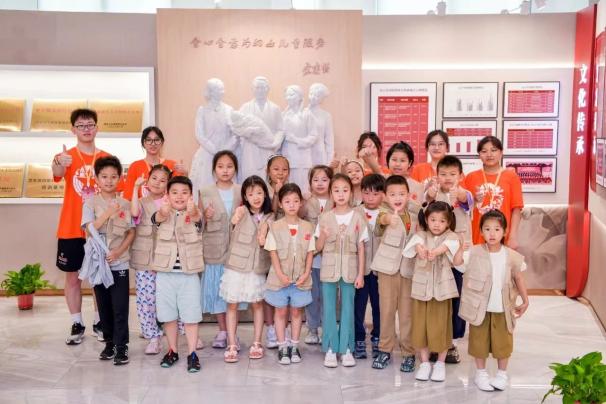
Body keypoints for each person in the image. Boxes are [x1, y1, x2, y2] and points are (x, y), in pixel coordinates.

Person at [52, 108, 112, 345]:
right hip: (71, 227)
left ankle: (99, 321)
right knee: (73, 278)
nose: (86, 129)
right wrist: (59, 162)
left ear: (97, 128)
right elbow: (57, 173)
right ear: (73, 130)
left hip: (100, 227)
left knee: (99, 277)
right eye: (81, 125)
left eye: (90, 125)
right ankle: (76, 322)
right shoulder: (65, 157)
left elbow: (115, 188)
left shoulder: (106, 157)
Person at [459, 209, 529, 392]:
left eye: (497, 229)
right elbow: (457, 264)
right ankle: (481, 374)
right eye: (487, 229)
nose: (492, 233)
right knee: (479, 342)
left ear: (505, 232)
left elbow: (518, 277)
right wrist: (460, 248)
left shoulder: (511, 255)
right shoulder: (474, 252)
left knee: (503, 344)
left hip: (503, 308)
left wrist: (525, 300)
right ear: (481, 231)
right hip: (479, 308)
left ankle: (501, 375)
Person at [79, 155, 134, 366]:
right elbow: (89, 229)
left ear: (120, 178)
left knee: (120, 306)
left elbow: (131, 232)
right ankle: (109, 343)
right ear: (97, 179)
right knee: (103, 306)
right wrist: (109, 212)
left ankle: (122, 346)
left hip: (119, 261)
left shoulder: (126, 204)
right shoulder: (90, 203)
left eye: (113, 176)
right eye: (104, 176)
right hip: (98, 263)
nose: (109, 180)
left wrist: (119, 252)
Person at [402, 201, 463, 382]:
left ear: (448, 223)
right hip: (421, 290)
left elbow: (448, 248)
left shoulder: (452, 236)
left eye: (442, 221)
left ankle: (440, 364)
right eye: (433, 220)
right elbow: (414, 246)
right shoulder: (420, 235)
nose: (437, 224)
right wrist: (420, 249)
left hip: (442, 291)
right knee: (420, 326)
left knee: (442, 326)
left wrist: (435, 251)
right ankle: (424, 362)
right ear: (427, 220)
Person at [151, 176, 204, 373]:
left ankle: (192, 353)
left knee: (191, 315)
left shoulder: (195, 214)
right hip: (165, 275)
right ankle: (172, 350)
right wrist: (163, 211)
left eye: (184, 192)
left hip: (189, 275)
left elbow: (198, 220)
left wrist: (194, 211)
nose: (179, 196)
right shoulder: (162, 213)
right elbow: (156, 219)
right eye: (174, 192)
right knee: (168, 315)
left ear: (190, 195)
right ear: (167, 195)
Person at [315, 174, 367, 368]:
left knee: (348, 309)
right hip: (328, 270)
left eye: (345, 190)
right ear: (331, 194)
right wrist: (323, 236)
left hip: (350, 270)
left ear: (351, 193)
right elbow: (317, 247)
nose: (341, 194)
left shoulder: (358, 217)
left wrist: (360, 274)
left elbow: (361, 248)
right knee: (328, 309)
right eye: (336, 190)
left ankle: (346, 349)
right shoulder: (324, 217)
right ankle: (330, 347)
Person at [425, 155, 473, 363]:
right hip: (435, 255)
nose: (448, 178)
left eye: (453, 174)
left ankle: (451, 343)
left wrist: (458, 192)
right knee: (436, 300)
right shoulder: (432, 193)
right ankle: (435, 342)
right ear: (436, 175)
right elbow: (426, 204)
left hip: (457, 258)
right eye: (443, 174)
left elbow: (465, 199)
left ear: (461, 176)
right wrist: (430, 194)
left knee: (455, 299)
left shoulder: (465, 194)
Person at [220, 175, 273, 363]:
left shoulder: (271, 216)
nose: (256, 197)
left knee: (257, 304)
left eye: (259, 192)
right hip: (236, 266)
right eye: (251, 194)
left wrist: (265, 237)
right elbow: (232, 227)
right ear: (245, 196)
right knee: (232, 304)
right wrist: (235, 218)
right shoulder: (241, 211)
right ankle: (231, 343)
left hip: (257, 267)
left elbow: (272, 243)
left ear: (265, 194)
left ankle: (257, 343)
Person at [263, 183, 315, 365]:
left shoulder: (308, 227)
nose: (292, 205)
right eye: (287, 201)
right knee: (280, 311)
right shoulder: (275, 227)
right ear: (281, 204)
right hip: (280, 279)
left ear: (301, 203)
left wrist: (306, 273)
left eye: (295, 201)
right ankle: (282, 346)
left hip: (301, 278)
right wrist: (280, 274)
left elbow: (310, 252)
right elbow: (273, 252)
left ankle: (294, 345)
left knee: (296, 311)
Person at [369, 175, 417, 373]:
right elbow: (379, 225)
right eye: (393, 194)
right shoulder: (383, 213)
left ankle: (409, 352)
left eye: (402, 194)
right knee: (386, 312)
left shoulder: (415, 215)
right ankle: (384, 349)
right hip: (387, 271)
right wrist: (389, 219)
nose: (397, 198)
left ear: (408, 195)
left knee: (407, 314)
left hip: (408, 271)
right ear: (385, 197)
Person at [198, 150, 245, 349]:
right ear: (214, 170)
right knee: (217, 292)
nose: (225, 170)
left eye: (229, 166)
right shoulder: (204, 192)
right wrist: (205, 216)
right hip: (214, 250)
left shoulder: (242, 190)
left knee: (234, 293)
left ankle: (233, 334)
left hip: (236, 251)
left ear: (235, 169)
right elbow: (197, 224)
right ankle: (223, 331)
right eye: (220, 166)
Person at [130, 164, 172, 355]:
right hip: (145, 259)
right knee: (146, 300)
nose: (157, 183)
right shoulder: (141, 201)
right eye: (154, 178)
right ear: (147, 179)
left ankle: (178, 334)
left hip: (167, 259)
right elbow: (134, 213)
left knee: (171, 298)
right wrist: (135, 188)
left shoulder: (170, 202)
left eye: (163, 180)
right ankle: (153, 338)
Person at [464, 136, 524, 249]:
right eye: (484, 151)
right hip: (476, 235)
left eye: (494, 150)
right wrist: (475, 200)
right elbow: (465, 209)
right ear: (479, 155)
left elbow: (516, 209)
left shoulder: (512, 177)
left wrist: (513, 237)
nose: (489, 154)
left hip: (502, 235)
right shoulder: (470, 177)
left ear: (501, 153)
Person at [300, 165, 334, 345]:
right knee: (312, 296)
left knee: (328, 296)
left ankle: (327, 328)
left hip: (331, 257)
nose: (320, 183)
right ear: (310, 183)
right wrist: (302, 201)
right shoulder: (307, 202)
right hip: (312, 258)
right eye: (316, 180)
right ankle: (312, 328)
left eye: (324, 180)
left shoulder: (336, 200)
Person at [353, 174, 384, 360]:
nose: (370, 198)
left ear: (383, 194)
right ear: (361, 193)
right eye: (366, 193)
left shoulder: (387, 214)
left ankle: (378, 337)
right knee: (358, 306)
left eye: (375, 193)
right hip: (360, 270)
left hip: (380, 271)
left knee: (380, 307)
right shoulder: (354, 213)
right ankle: (358, 339)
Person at [190, 78, 238, 196]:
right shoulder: (202, 110)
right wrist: (214, 149)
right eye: (218, 89)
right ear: (210, 91)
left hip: (226, 154)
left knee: (227, 189)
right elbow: (199, 134)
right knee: (205, 189)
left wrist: (225, 149)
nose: (221, 92)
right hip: (207, 155)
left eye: (222, 89)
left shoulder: (229, 110)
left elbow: (236, 134)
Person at [234, 76, 284, 181]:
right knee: (250, 178)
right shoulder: (245, 107)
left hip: (268, 148)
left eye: (263, 87)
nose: (260, 90)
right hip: (250, 150)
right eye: (257, 87)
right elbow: (237, 128)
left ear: (268, 89)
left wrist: (276, 143)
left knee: (268, 179)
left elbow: (281, 129)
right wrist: (247, 132)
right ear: (252, 89)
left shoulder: (275, 108)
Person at [122, 126, 186, 201]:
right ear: (143, 143)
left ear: (162, 142)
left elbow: (181, 194)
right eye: (149, 140)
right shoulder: (135, 166)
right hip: (140, 208)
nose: (153, 144)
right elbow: (128, 198)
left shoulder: (172, 165)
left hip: (167, 207)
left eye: (157, 140)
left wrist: (185, 174)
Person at [281, 85, 318, 194]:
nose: (288, 97)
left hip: (302, 160)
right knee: (288, 192)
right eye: (287, 95)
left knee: (303, 191)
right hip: (287, 160)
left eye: (291, 95)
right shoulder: (283, 115)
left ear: (299, 97)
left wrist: (296, 140)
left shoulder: (307, 114)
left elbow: (313, 136)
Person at [305, 83, 334, 166]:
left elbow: (329, 140)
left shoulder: (326, 116)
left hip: (319, 155)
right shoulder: (302, 113)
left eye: (317, 96)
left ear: (322, 99)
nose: (313, 97)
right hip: (304, 153)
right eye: (311, 94)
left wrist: (329, 162)